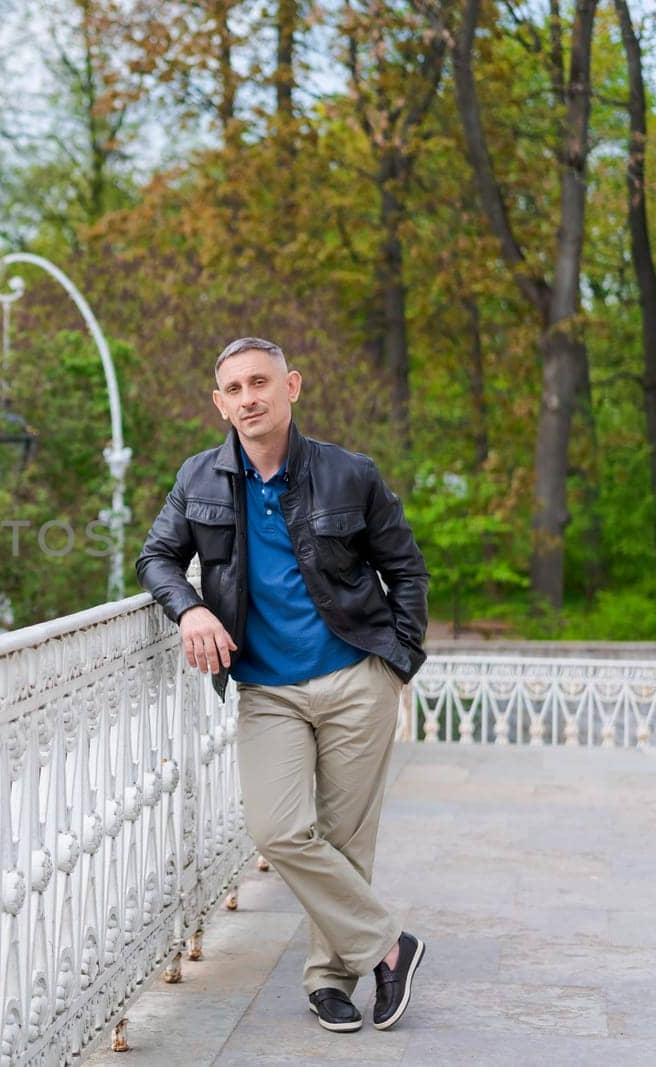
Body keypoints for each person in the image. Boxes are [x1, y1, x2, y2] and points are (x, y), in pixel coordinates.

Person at [135, 337, 430, 1034]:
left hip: (356, 674)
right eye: (233, 389)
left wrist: (399, 659)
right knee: (279, 828)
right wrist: (193, 605)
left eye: (260, 382)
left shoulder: (348, 473)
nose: (248, 398)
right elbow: (156, 556)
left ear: (291, 385)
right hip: (267, 687)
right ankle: (391, 944)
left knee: (347, 836)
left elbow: (407, 569)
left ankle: (331, 978)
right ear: (219, 403)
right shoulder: (198, 479)